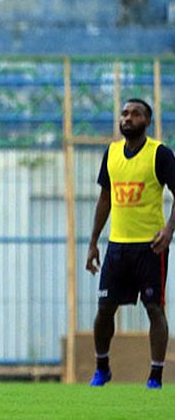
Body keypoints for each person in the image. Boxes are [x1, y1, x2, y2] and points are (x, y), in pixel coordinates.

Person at [86, 98, 175, 389]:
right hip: (117, 247)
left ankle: (156, 376)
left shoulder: (159, 154)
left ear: (146, 121)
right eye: (124, 113)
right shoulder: (111, 153)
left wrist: (169, 230)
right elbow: (105, 199)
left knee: (154, 309)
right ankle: (102, 368)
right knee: (104, 310)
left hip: (150, 248)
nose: (127, 118)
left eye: (135, 114)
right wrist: (93, 243)